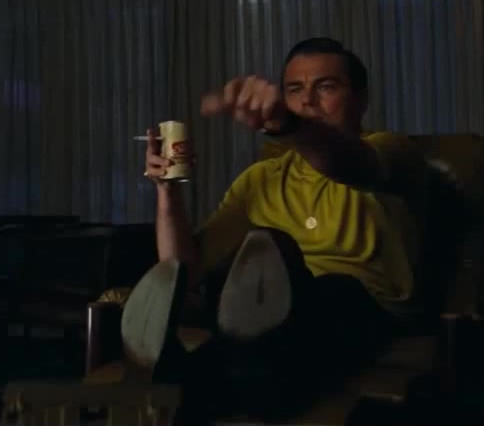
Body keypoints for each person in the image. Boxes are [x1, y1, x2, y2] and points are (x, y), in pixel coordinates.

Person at [142, 37, 430, 422]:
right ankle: (191, 363)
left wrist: (288, 125)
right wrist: (167, 192)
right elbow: (183, 268)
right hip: (276, 318)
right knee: (230, 347)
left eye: (326, 87)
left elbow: (348, 162)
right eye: (294, 90)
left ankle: (205, 357)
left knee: (316, 282)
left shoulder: (392, 151)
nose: (307, 101)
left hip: (367, 307)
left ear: (360, 100)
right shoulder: (260, 179)